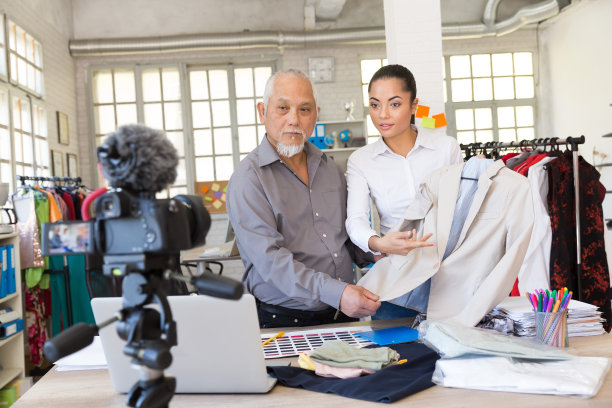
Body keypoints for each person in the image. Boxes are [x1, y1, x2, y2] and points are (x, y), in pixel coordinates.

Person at [226, 69, 380, 328]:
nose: (294, 120)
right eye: (283, 108)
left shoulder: (330, 168)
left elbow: (345, 238)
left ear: (316, 114)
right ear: (262, 112)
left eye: (304, 110)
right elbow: (271, 262)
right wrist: (337, 293)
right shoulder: (248, 180)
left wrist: (376, 252)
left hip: (343, 314)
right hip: (284, 321)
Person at [346, 64, 462, 319]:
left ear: (413, 105)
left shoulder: (446, 149)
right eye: (375, 105)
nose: (383, 114)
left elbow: (461, 210)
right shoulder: (361, 160)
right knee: (397, 356)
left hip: (449, 274)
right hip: (396, 276)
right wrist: (378, 243)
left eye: (394, 104)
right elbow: (355, 220)